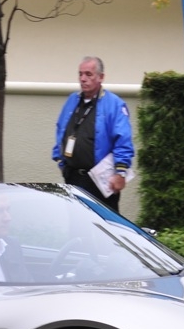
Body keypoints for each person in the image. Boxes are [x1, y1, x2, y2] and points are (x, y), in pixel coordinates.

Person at [51, 55, 134, 213]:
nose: (83, 79)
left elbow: (123, 140)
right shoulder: (72, 100)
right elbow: (60, 129)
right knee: (76, 224)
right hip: (73, 178)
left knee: (104, 227)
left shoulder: (114, 104)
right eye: (80, 74)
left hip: (101, 181)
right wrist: (61, 161)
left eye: (88, 74)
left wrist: (121, 173)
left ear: (101, 77)